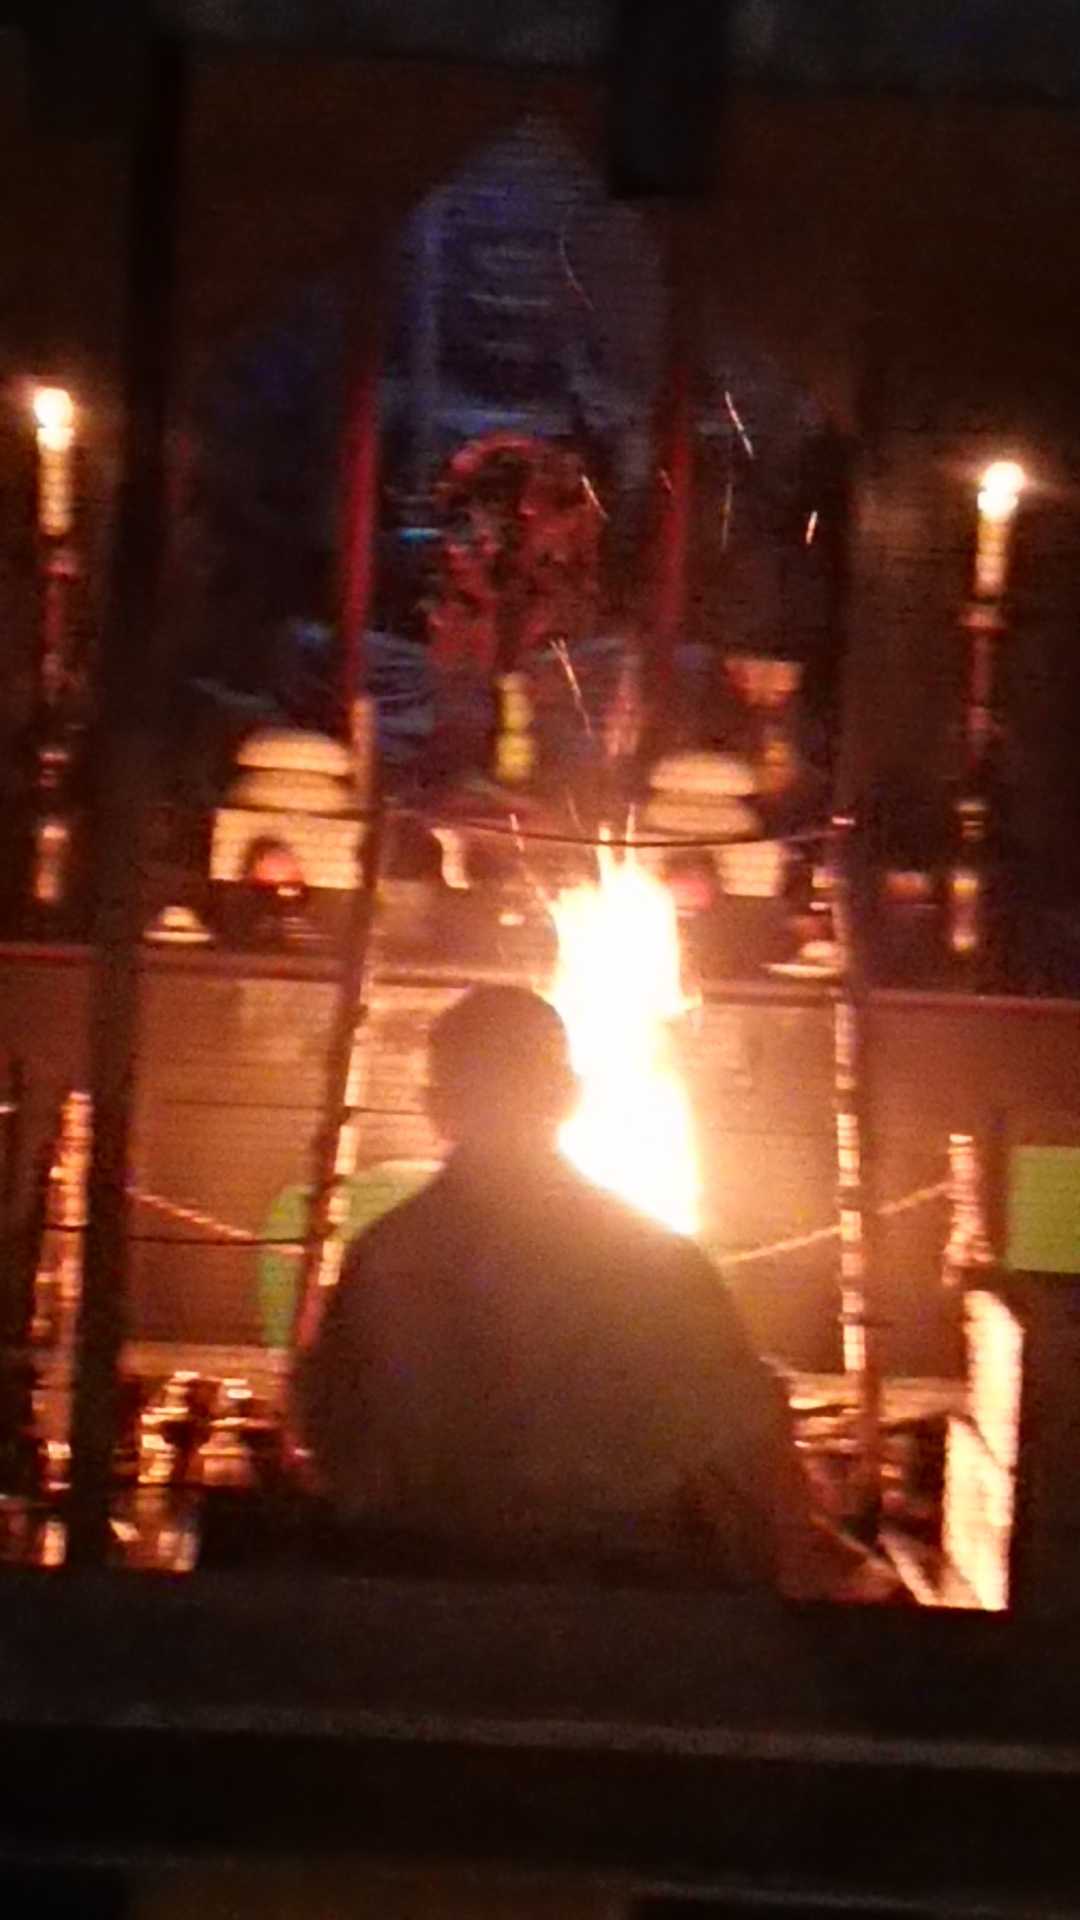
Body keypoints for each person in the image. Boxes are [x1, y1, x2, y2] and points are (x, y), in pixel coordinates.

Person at [294, 985, 822, 1589]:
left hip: (419, 1604)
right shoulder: (661, 1264)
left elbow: (333, 1436)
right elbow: (741, 1448)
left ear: (436, 1108)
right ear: (569, 1096)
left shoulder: (381, 1262)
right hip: (617, 1610)